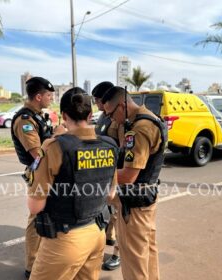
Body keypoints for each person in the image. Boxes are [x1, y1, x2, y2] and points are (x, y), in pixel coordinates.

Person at [27, 87, 118, 280]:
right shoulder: (110, 145)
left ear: (64, 115)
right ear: (91, 114)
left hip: (65, 239)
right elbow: (110, 195)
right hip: (97, 233)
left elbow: (35, 206)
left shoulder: (54, 146)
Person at [102, 86, 167, 280]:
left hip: (135, 203)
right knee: (148, 254)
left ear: (122, 106)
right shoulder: (153, 119)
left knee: (134, 262)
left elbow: (129, 176)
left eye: (111, 113)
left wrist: (99, 174)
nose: (111, 119)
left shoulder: (138, 129)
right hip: (147, 196)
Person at [11, 76, 55, 279]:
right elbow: (37, 155)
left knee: (47, 216)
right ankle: (32, 264)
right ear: (38, 96)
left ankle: (42, 259)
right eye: (49, 95)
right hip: (38, 174)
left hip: (47, 172)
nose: (51, 99)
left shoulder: (37, 115)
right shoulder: (25, 120)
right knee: (36, 219)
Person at [92, 81, 122, 271]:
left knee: (118, 215)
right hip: (104, 172)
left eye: (98, 100)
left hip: (116, 174)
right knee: (108, 211)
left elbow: (123, 148)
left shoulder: (118, 119)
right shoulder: (103, 117)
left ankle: (117, 255)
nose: (96, 104)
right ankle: (109, 237)